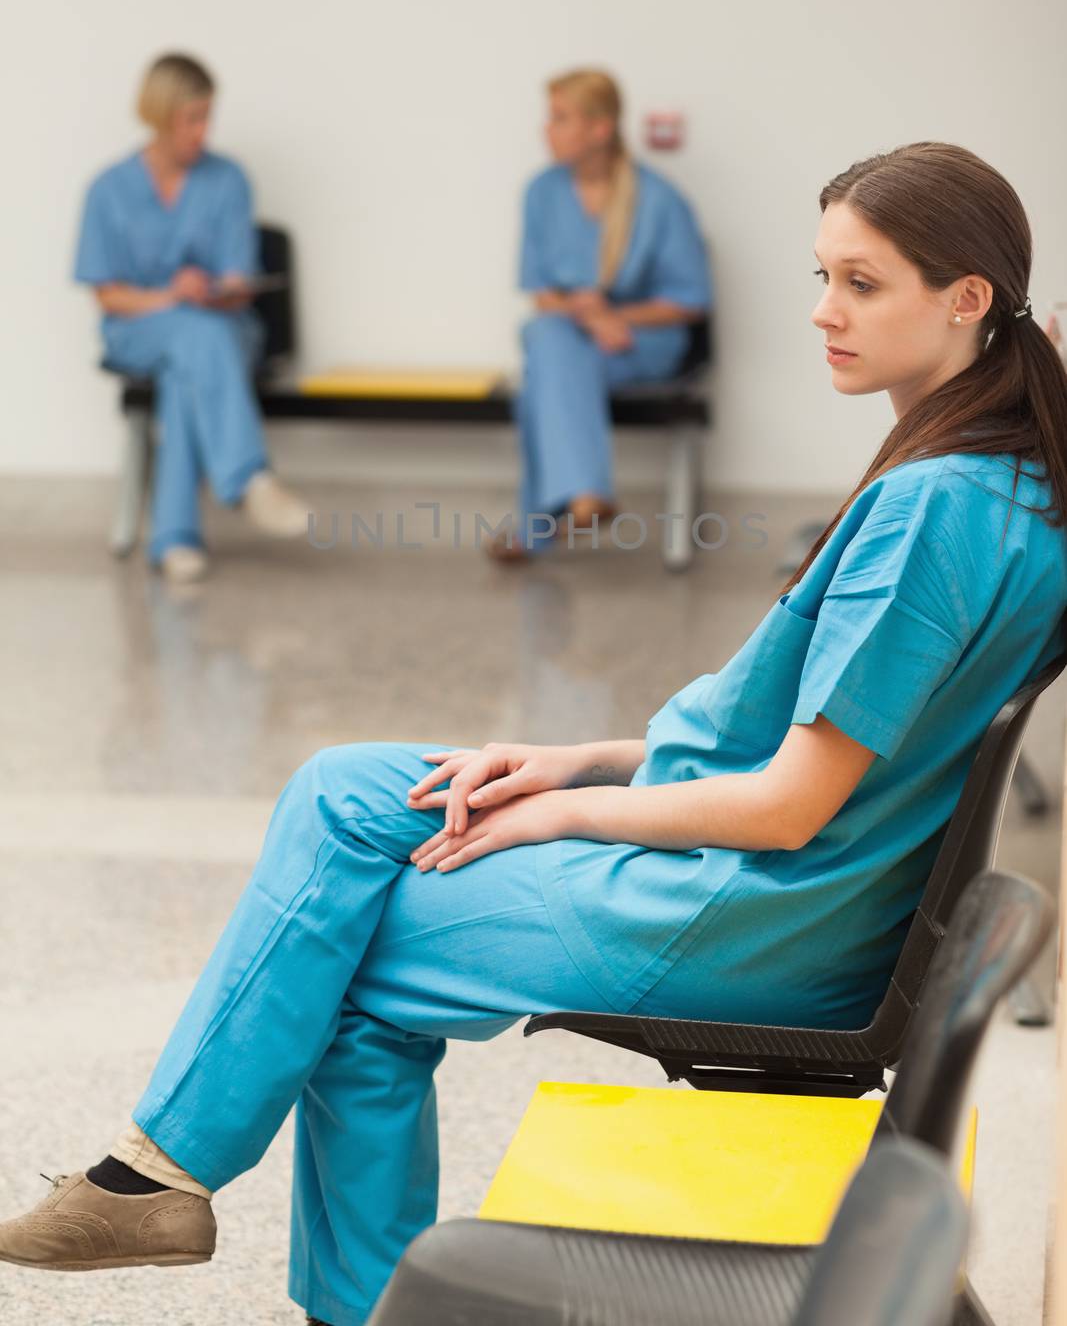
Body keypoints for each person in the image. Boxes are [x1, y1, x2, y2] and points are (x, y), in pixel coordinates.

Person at [5, 143, 1066, 1326]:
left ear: (965, 297)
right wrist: (570, 759)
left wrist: (560, 811)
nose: (821, 313)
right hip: (795, 892)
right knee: (343, 784)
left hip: (756, 915)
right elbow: (778, 738)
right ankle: (160, 1175)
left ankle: (198, 1203)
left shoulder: (932, 509)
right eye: (819, 276)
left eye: (860, 284)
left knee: (341, 957)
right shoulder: (1002, 478)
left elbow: (785, 804)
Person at [74, 53, 310, 582]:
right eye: (191, 119)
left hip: (221, 331)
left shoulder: (228, 180)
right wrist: (170, 297)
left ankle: (176, 540)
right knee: (192, 340)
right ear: (158, 116)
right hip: (139, 331)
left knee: (191, 363)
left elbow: (237, 282)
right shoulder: (108, 189)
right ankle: (250, 478)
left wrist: (214, 292)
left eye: (208, 117)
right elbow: (108, 296)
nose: (202, 132)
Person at [491, 69, 711, 560]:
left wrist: (620, 317)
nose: (545, 130)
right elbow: (541, 291)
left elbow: (690, 300)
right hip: (575, 333)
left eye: (559, 118)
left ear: (599, 128)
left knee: (545, 362)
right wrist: (590, 316)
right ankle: (585, 495)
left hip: (643, 341)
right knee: (545, 340)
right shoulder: (541, 192)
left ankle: (541, 523)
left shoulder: (660, 200)